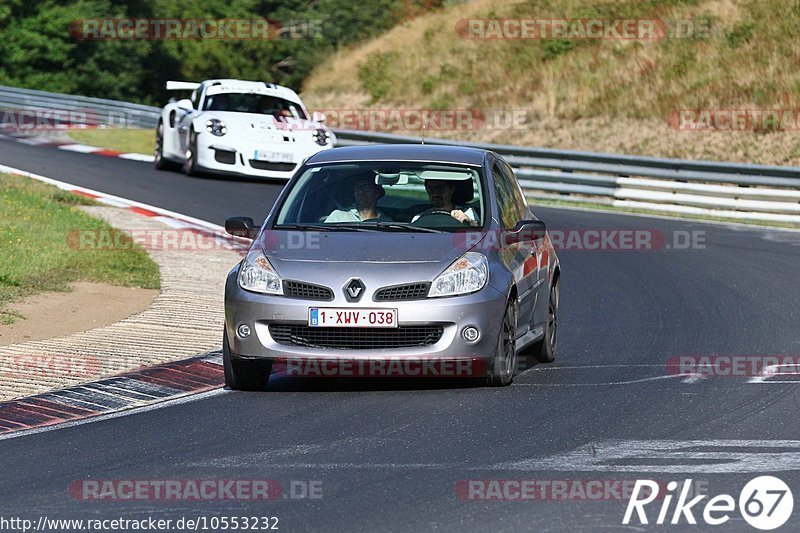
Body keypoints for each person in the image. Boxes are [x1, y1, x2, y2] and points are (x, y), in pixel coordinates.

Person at [324, 174, 391, 222]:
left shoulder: (385, 223)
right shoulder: (338, 216)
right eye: (357, 188)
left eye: (366, 188)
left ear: (376, 193)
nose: (361, 191)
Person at [412, 179, 478, 225]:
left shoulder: (467, 212)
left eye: (440, 188)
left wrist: (468, 222)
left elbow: (479, 230)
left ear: (452, 189)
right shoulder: (419, 217)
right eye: (431, 189)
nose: (435, 194)